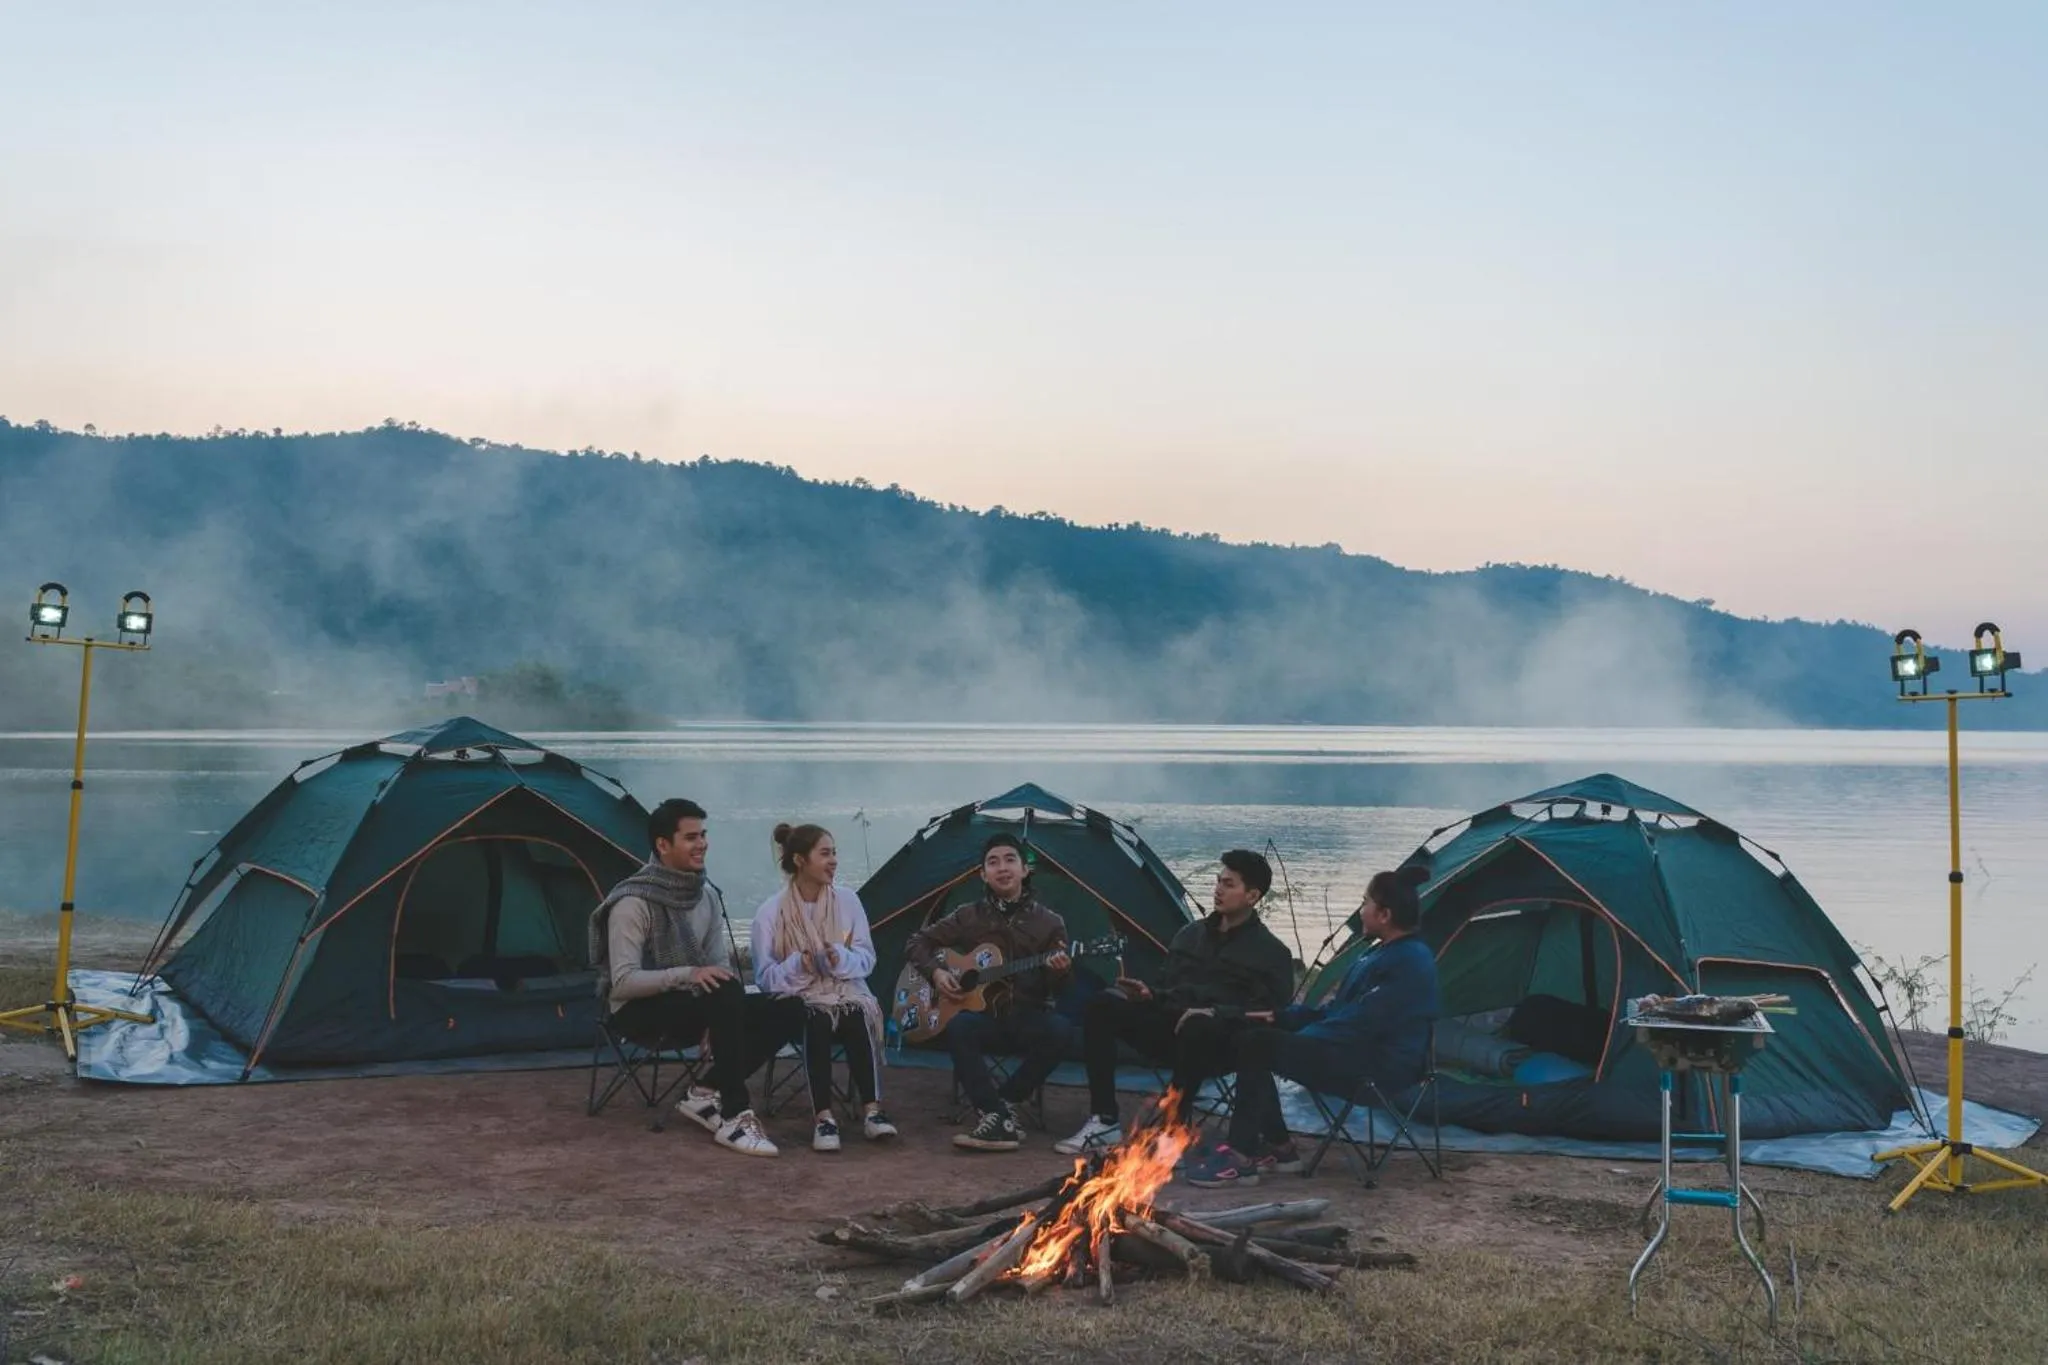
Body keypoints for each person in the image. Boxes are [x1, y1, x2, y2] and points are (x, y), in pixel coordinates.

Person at [1187, 864, 1439, 1187]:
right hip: (1353, 1051)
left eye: (1365, 903)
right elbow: (1336, 1013)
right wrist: (1281, 1018)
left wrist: (1301, 1039)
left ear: (1385, 914)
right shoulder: (1376, 954)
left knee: (1258, 1045)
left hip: (1380, 1067)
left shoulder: (1409, 961)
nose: (1361, 911)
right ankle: (1280, 1149)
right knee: (1252, 1037)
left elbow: (1361, 1023)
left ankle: (1241, 1155)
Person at [590, 797, 804, 1158]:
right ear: (663, 845)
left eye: (703, 835)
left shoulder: (705, 897)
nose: (702, 844)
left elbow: (719, 967)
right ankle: (735, 1115)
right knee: (722, 994)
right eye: (691, 837)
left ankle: (704, 1092)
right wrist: (690, 977)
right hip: (636, 1011)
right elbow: (623, 982)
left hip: (696, 1004)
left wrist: (720, 1012)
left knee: (789, 1007)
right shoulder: (632, 902)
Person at [1054, 849, 1294, 1156]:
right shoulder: (1190, 935)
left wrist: (1215, 1012)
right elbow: (1168, 988)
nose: (1218, 890)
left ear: (1252, 896)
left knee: (1198, 1025)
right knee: (1103, 1005)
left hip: (1220, 1044)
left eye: (1229, 884)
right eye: (1218, 881)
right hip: (1169, 1030)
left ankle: (1172, 1132)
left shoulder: (1272, 953)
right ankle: (1104, 1120)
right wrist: (1149, 995)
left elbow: (1270, 1015)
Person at [907, 832, 1074, 1151]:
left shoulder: (1050, 923)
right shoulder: (968, 915)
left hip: (1027, 1014)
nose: (1002, 868)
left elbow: (1062, 988)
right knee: (959, 1026)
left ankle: (1003, 1106)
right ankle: (994, 1112)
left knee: (1062, 1030)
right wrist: (937, 972)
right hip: (983, 1016)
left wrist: (1060, 970)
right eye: (993, 862)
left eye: (1010, 860)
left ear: (1025, 869)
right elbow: (917, 943)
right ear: (983, 874)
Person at [750, 822, 899, 1152]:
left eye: (835, 853)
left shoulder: (848, 901)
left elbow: (867, 958)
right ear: (800, 860)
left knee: (856, 1014)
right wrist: (798, 964)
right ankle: (824, 1118)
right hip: (799, 998)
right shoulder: (770, 912)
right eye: (825, 854)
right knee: (815, 1019)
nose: (834, 861)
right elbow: (764, 978)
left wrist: (839, 957)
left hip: (844, 989)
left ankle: (873, 1111)